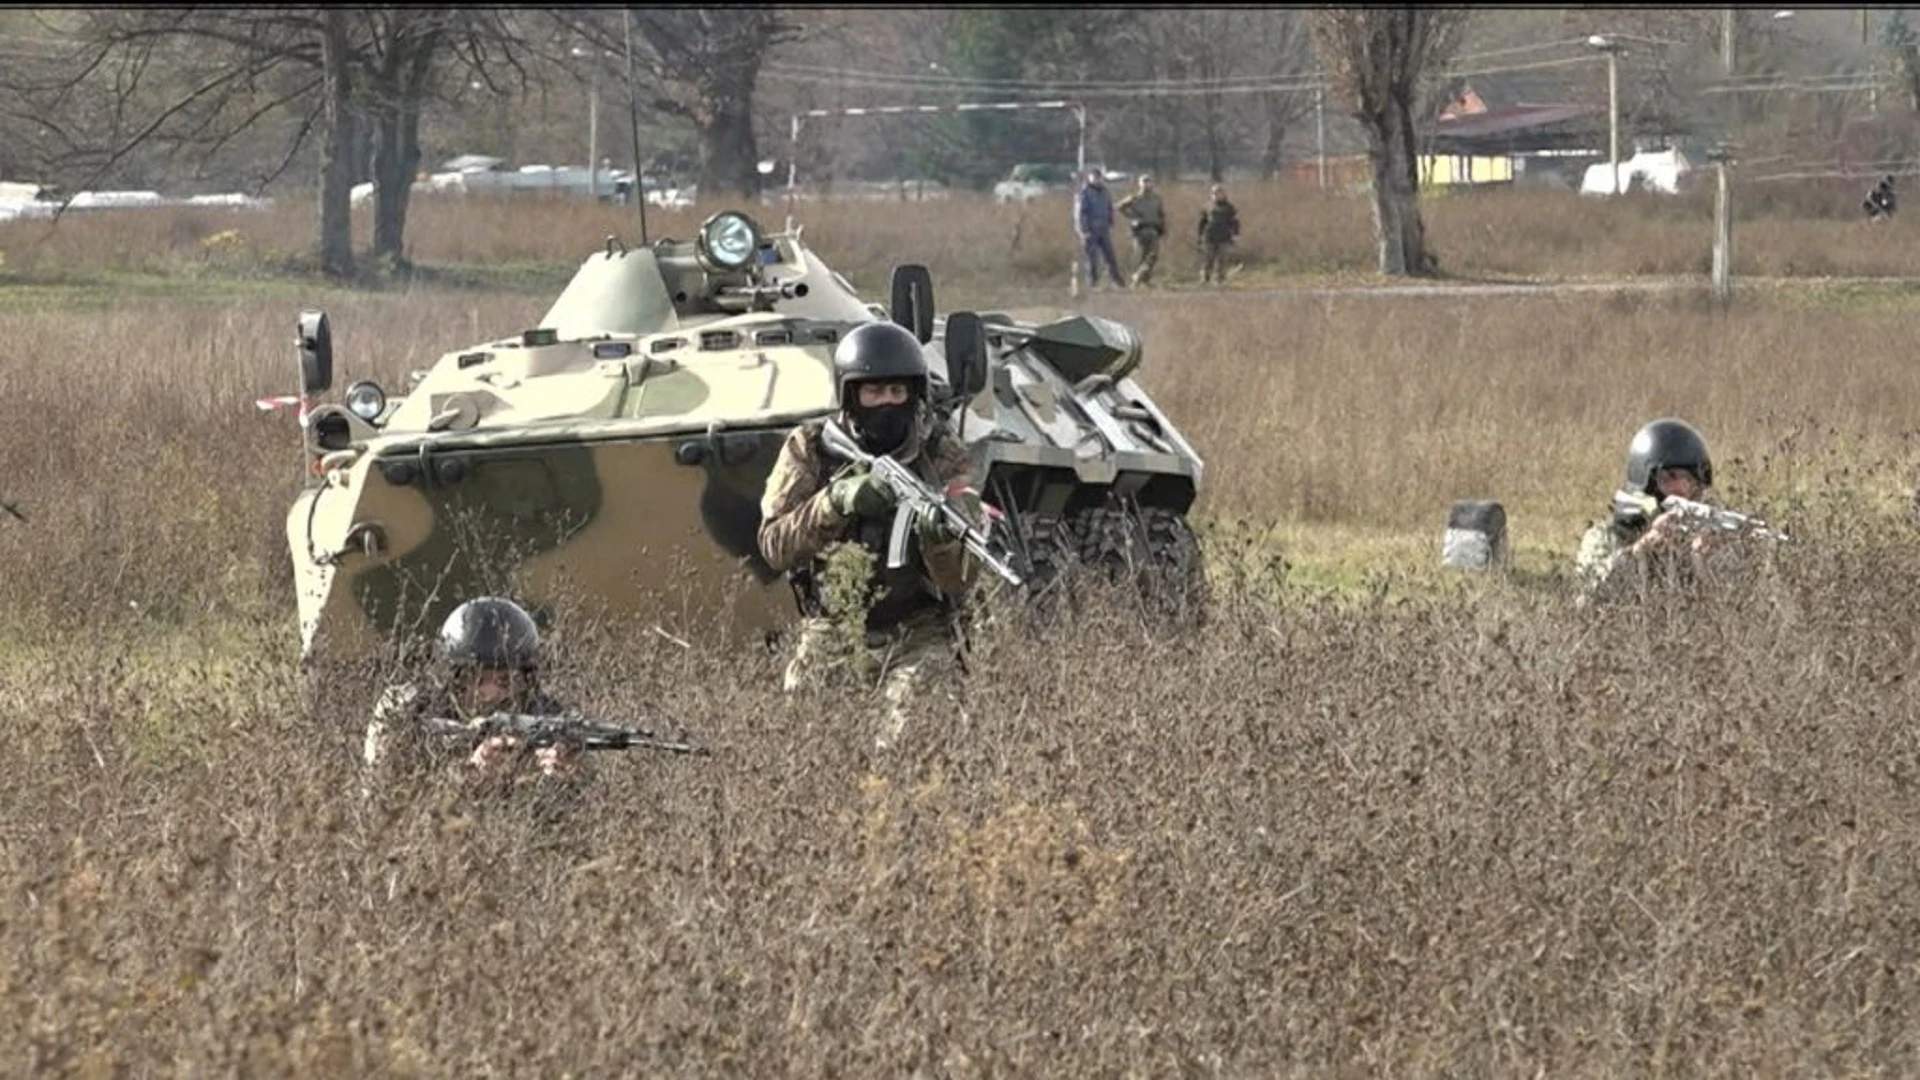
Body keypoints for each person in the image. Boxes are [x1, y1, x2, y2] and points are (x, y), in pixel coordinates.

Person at [758, 320, 986, 748]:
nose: (886, 403)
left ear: (913, 394)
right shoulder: (811, 447)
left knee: (914, 743)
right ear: (851, 395)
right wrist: (836, 501)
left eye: (897, 393)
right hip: (832, 628)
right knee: (806, 756)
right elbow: (773, 546)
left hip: (919, 631)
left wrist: (937, 538)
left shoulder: (941, 453)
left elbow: (960, 580)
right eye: (874, 393)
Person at [361, 596, 582, 795]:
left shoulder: (549, 717)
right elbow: (380, 799)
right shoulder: (407, 711)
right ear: (452, 678)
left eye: (505, 681)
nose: (491, 693)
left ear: (526, 679)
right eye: (476, 678)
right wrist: (468, 776)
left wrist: (557, 783)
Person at [1575, 418, 1733, 605]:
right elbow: (1590, 594)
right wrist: (1642, 550)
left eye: (1690, 481)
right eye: (1670, 478)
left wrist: (1706, 564)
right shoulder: (1606, 536)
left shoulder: (1704, 534)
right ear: (1647, 484)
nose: (1681, 490)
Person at [1074, 168, 1127, 291]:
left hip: (1103, 229)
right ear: (1090, 178)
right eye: (1095, 177)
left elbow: (1109, 208)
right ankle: (1093, 282)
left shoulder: (1105, 192)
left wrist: (1110, 221)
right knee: (1091, 258)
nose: (1097, 180)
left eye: (1099, 177)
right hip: (1090, 230)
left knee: (1110, 256)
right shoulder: (1084, 193)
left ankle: (1116, 281)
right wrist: (1083, 230)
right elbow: (1080, 213)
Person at [1115, 173, 1167, 287]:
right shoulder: (1134, 198)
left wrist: (1163, 227)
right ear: (1139, 184)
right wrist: (1132, 217)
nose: (1146, 184)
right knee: (1140, 256)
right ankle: (1136, 280)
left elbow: (1161, 214)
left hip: (1153, 230)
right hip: (1140, 231)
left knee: (1153, 255)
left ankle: (1144, 279)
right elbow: (1119, 207)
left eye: (1148, 182)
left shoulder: (1156, 199)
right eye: (1144, 182)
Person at [1196, 183, 1241, 285]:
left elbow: (1235, 222)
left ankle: (1220, 280)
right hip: (1209, 237)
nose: (1217, 195)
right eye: (1215, 193)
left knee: (1222, 260)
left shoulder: (1230, 208)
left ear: (1224, 194)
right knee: (1208, 259)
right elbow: (1202, 222)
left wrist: (1235, 235)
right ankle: (1205, 280)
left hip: (1224, 237)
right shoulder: (1207, 206)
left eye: (1219, 193)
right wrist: (1199, 236)